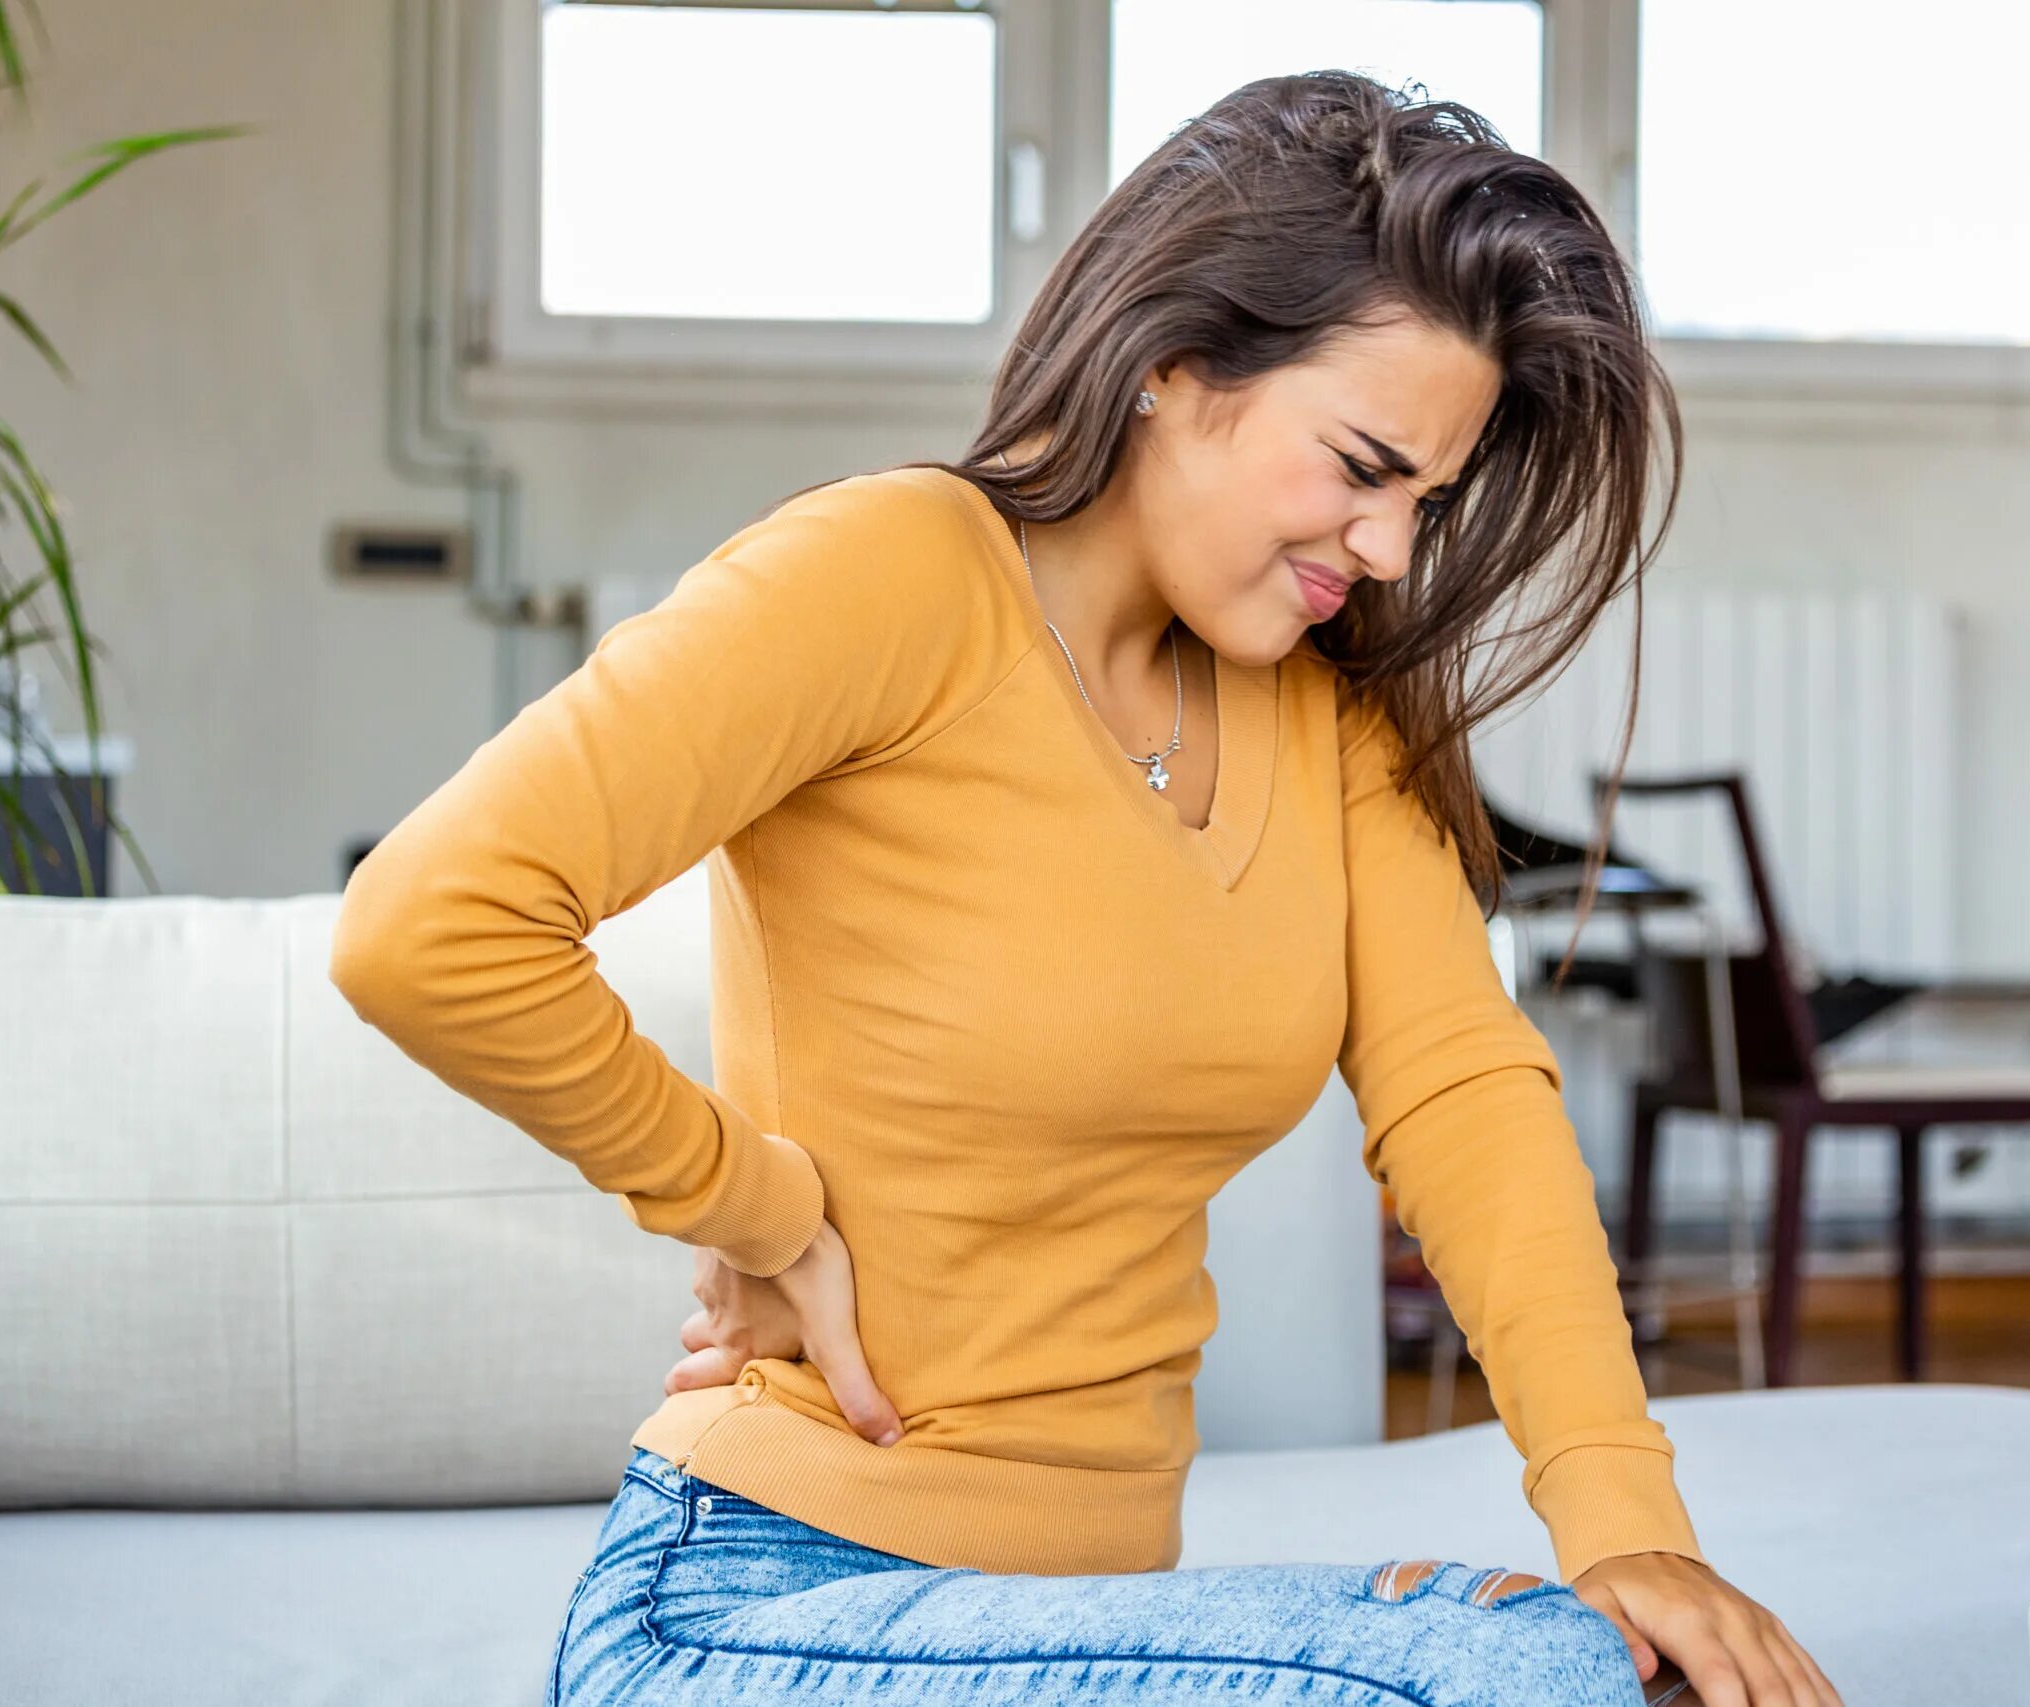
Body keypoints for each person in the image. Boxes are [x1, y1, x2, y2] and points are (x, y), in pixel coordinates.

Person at [329, 69, 1845, 1707]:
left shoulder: (1327, 716)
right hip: (754, 1603)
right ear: (1175, 366)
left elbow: (1468, 1100)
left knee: (1632, 1665)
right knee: (1508, 1681)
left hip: (1080, 1619)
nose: (1394, 549)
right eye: (1361, 464)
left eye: (1429, 501)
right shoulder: (893, 573)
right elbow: (433, 920)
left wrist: (1625, 1527)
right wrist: (740, 1196)